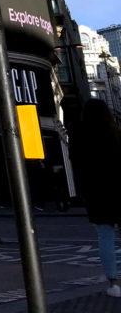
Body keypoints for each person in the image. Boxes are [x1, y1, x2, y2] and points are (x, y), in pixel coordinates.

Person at [72, 99, 121, 298]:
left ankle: (113, 283)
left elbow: (77, 166)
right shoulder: (115, 134)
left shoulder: (80, 136)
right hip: (119, 188)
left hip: (97, 193)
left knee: (105, 237)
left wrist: (83, 192)